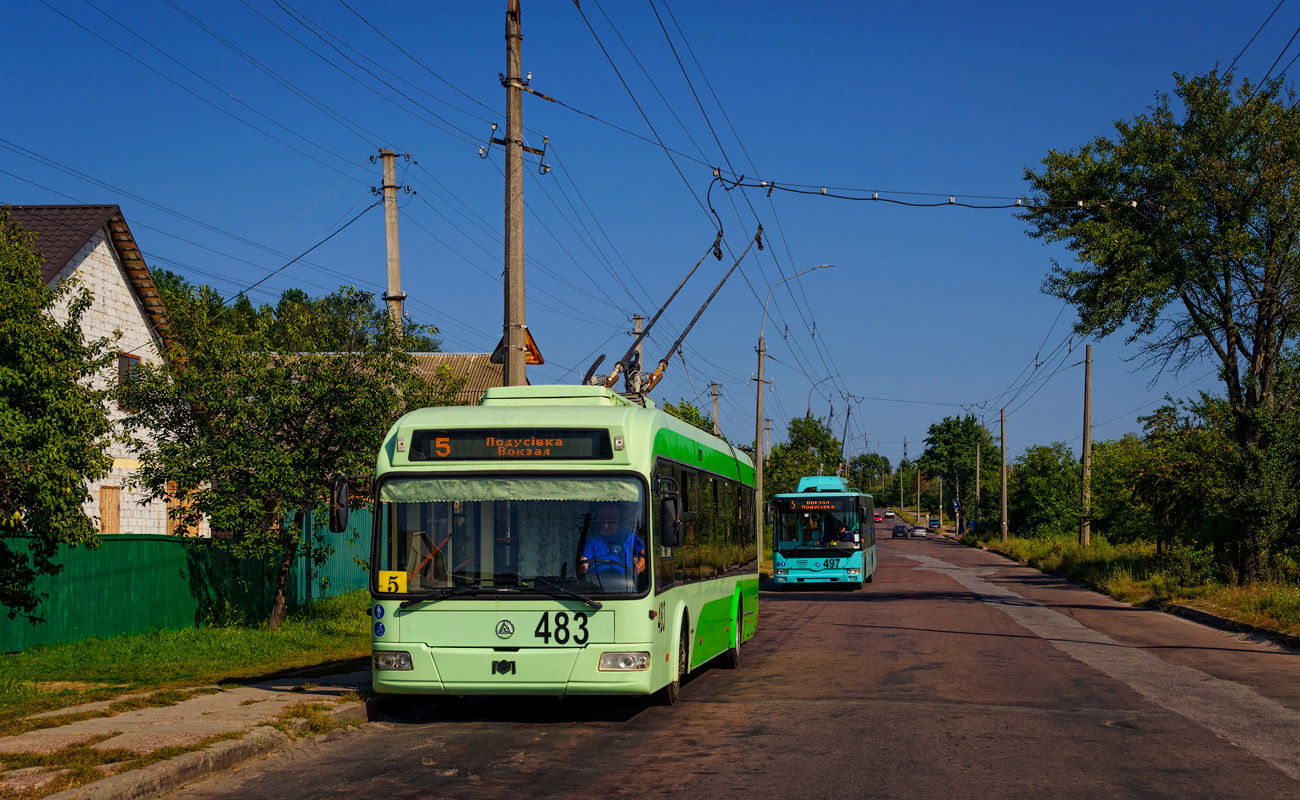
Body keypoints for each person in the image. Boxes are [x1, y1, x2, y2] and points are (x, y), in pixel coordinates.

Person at [578, 504, 646, 584]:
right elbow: (583, 564)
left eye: (614, 516)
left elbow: (644, 554)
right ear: (599, 519)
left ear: (619, 518)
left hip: (624, 584)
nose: (611, 520)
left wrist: (636, 570)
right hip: (596, 583)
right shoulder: (592, 539)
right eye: (606, 516)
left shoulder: (629, 536)